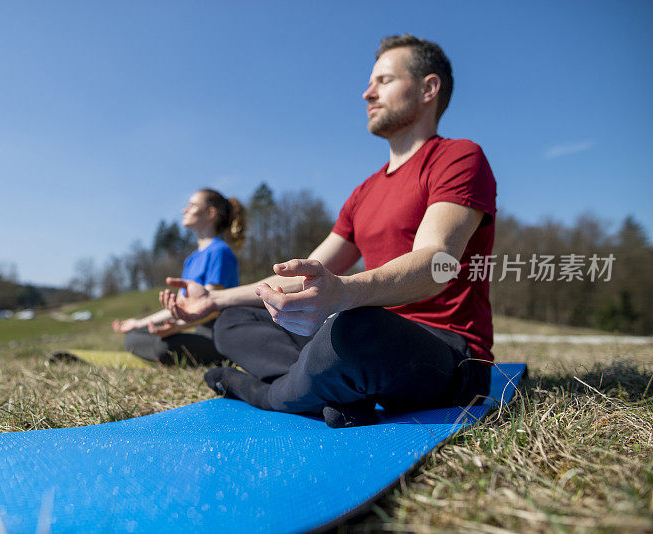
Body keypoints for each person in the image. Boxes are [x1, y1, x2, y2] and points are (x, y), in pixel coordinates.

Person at [160, 34, 497, 428]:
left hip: (446, 350)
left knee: (352, 330)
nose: (367, 93)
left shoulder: (458, 157)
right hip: (357, 336)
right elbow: (303, 274)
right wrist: (214, 303)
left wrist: (346, 292)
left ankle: (265, 392)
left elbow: (437, 262)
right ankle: (331, 387)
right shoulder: (364, 192)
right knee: (235, 320)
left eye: (384, 81)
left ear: (429, 88)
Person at [112, 189, 245, 364]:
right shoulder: (191, 260)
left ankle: (212, 358)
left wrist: (178, 328)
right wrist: (139, 323)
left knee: (160, 346)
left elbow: (213, 307)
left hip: (219, 338)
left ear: (210, 213)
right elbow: (180, 308)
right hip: (199, 332)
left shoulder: (220, 252)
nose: (184, 210)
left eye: (192, 205)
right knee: (135, 336)